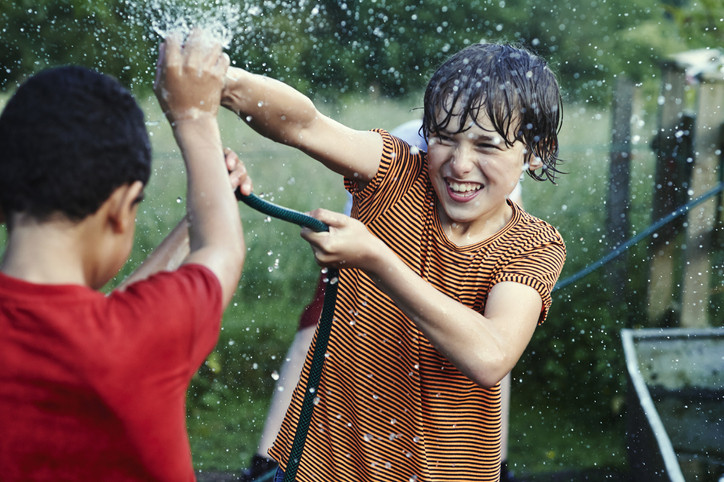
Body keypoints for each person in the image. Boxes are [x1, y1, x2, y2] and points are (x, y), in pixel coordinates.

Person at [223, 42, 566, 481]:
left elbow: (491, 355)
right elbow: (305, 125)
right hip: (329, 467)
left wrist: (375, 258)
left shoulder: (533, 245)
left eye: (486, 146)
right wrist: (224, 83)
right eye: (443, 137)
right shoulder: (395, 174)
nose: (459, 165)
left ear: (536, 150)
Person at [0, 30, 251, 481]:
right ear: (121, 208)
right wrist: (193, 116)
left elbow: (95, 318)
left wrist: (192, 226)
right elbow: (223, 250)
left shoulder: (123, 334)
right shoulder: (140, 344)